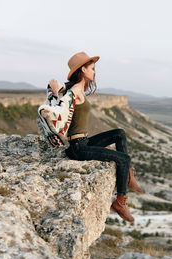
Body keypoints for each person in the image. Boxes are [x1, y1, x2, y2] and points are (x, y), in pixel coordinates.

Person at [49, 51, 144, 223]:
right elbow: (58, 110)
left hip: (84, 140)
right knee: (123, 158)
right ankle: (120, 202)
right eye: (92, 68)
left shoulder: (78, 90)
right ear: (83, 70)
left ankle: (128, 176)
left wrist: (59, 92)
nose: (94, 72)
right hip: (77, 148)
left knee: (120, 133)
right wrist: (55, 93)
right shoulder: (75, 91)